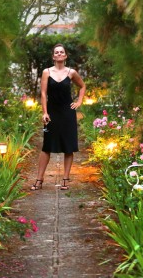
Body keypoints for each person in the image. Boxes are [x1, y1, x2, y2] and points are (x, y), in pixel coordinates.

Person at [31, 43, 86, 191]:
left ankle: (65, 180)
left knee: (68, 147)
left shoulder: (71, 72)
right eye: (57, 52)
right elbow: (43, 93)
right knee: (47, 146)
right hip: (52, 112)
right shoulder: (46, 72)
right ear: (53, 56)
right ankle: (39, 179)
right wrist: (45, 112)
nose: (59, 54)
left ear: (65, 56)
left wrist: (79, 101)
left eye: (62, 52)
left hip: (67, 112)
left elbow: (82, 86)